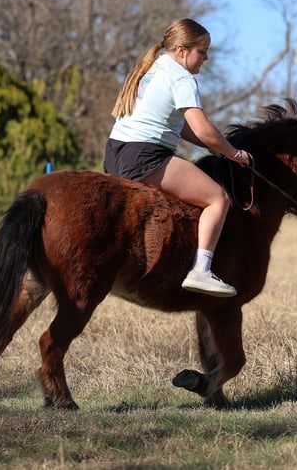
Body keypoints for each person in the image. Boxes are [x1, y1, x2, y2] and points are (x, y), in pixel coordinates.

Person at [104, 18, 250, 298]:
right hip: (145, 156)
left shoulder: (154, 67)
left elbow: (180, 127)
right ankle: (201, 271)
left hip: (115, 153)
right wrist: (234, 153)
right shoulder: (182, 77)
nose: (206, 58)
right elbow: (202, 128)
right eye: (202, 51)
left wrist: (216, 147)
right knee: (218, 199)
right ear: (182, 50)